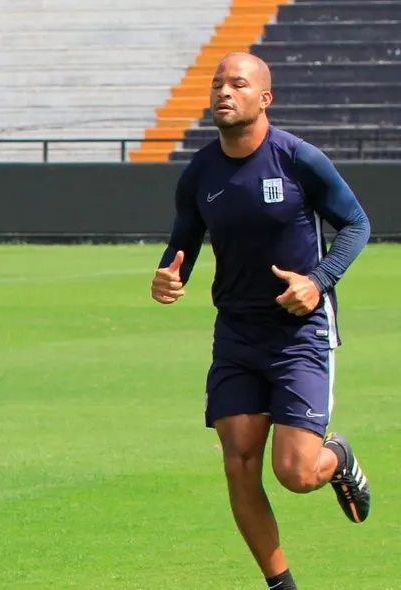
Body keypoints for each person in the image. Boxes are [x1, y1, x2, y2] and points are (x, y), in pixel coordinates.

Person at [150, 52, 372, 590]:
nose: (224, 92)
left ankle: (336, 455)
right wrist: (166, 276)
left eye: (239, 84)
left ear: (264, 98)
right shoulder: (199, 172)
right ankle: (281, 586)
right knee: (238, 463)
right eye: (217, 83)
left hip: (299, 333)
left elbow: (357, 224)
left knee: (295, 473)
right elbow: (182, 246)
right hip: (236, 334)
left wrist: (317, 281)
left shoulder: (299, 160)